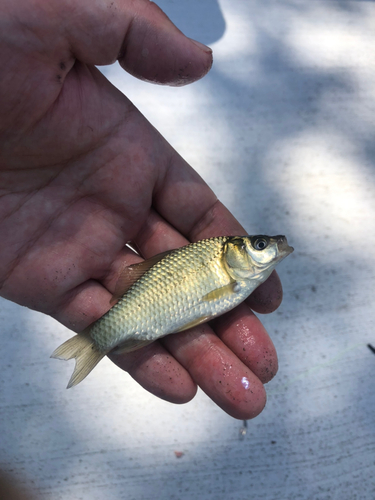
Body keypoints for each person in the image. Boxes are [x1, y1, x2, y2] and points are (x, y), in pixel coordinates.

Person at [0, 0, 283, 420]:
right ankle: (99, 338)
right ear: (234, 254)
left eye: (260, 245)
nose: (268, 247)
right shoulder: (228, 272)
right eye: (258, 246)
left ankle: (100, 339)